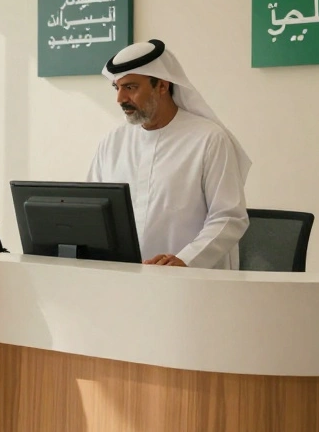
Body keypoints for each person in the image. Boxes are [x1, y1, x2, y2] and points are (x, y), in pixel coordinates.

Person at [88, 39, 250, 269]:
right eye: (117, 88)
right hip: (125, 281)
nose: (120, 99)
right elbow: (93, 211)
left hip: (192, 282)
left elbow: (229, 217)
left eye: (131, 87)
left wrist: (186, 259)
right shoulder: (112, 143)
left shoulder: (208, 139)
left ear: (162, 86)